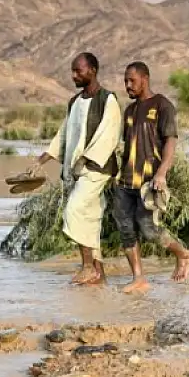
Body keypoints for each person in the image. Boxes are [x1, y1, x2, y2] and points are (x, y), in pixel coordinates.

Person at [115, 61, 189, 293]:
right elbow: (127, 145)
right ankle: (139, 278)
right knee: (125, 229)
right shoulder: (130, 110)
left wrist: (161, 174)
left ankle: (183, 254)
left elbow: (170, 143)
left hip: (149, 181)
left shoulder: (163, 106)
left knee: (148, 229)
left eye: (131, 80)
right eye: (125, 81)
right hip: (125, 181)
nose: (127, 85)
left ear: (145, 79)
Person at [37, 52, 122, 285]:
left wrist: (85, 160)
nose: (74, 75)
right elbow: (64, 134)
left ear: (92, 70)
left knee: (73, 210)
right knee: (90, 218)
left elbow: (109, 135)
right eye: (73, 71)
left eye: (78, 71)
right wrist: (44, 158)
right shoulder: (74, 102)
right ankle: (99, 274)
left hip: (97, 169)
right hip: (77, 170)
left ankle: (86, 266)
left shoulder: (108, 99)